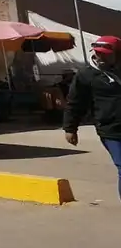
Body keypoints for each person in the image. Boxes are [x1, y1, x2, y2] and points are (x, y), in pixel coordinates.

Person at [63, 35, 121, 200]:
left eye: (105, 54)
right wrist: (70, 128)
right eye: (97, 53)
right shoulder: (86, 75)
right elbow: (75, 102)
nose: (99, 57)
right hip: (111, 129)